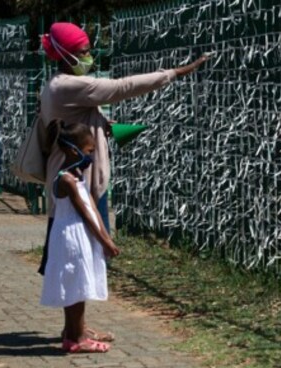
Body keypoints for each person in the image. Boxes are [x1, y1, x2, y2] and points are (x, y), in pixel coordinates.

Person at [36, 22, 208, 341]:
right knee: (77, 259)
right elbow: (121, 88)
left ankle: (76, 327)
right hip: (76, 183)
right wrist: (176, 72)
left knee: (82, 258)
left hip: (76, 180)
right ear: (66, 55)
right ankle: (74, 335)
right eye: (84, 52)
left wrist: (104, 124)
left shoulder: (61, 85)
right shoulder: (69, 86)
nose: (90, 57)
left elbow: (82, 119)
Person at [40, 122, 120, 353]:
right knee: (74, 287)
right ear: (72, 150)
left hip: (80, 236)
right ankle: (76, 339)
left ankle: (73, 332)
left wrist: (105, 236)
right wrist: (105, 241)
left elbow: (93, 209)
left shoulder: (76, 175)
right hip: (70, 237)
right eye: (88, 151)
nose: (91, 157)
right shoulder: (66, 179)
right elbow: (85, 213)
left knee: (78, 285)